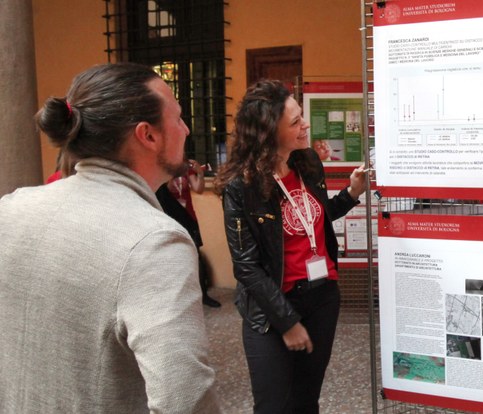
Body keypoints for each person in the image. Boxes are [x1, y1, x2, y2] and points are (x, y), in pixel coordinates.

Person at [0, 63, 219, 412]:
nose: (187, 129)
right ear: (147, 135)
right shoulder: (155, 241)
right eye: (178, 117)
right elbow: (184, 398)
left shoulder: (11, 207)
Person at [217, 79, 367, 413]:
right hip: (271, 309)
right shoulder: (241, 187)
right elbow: (246, 267)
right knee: (273, 405)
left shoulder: (307, 161)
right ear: (269, 133)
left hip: (321, 298)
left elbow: (315, 217)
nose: (306, 125)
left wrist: (351, 194)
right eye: (296, 121)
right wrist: (287, 322)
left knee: (305, 400)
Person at [156, 157, 221, 307]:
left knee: (196, 255)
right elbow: (163, 189)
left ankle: (203, 295)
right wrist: (171, 172)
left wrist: (199, 173)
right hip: (171, 217)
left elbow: (198, 189)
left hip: (188, 216)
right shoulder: (164, 171)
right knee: (173, 256)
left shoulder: (186, 170)